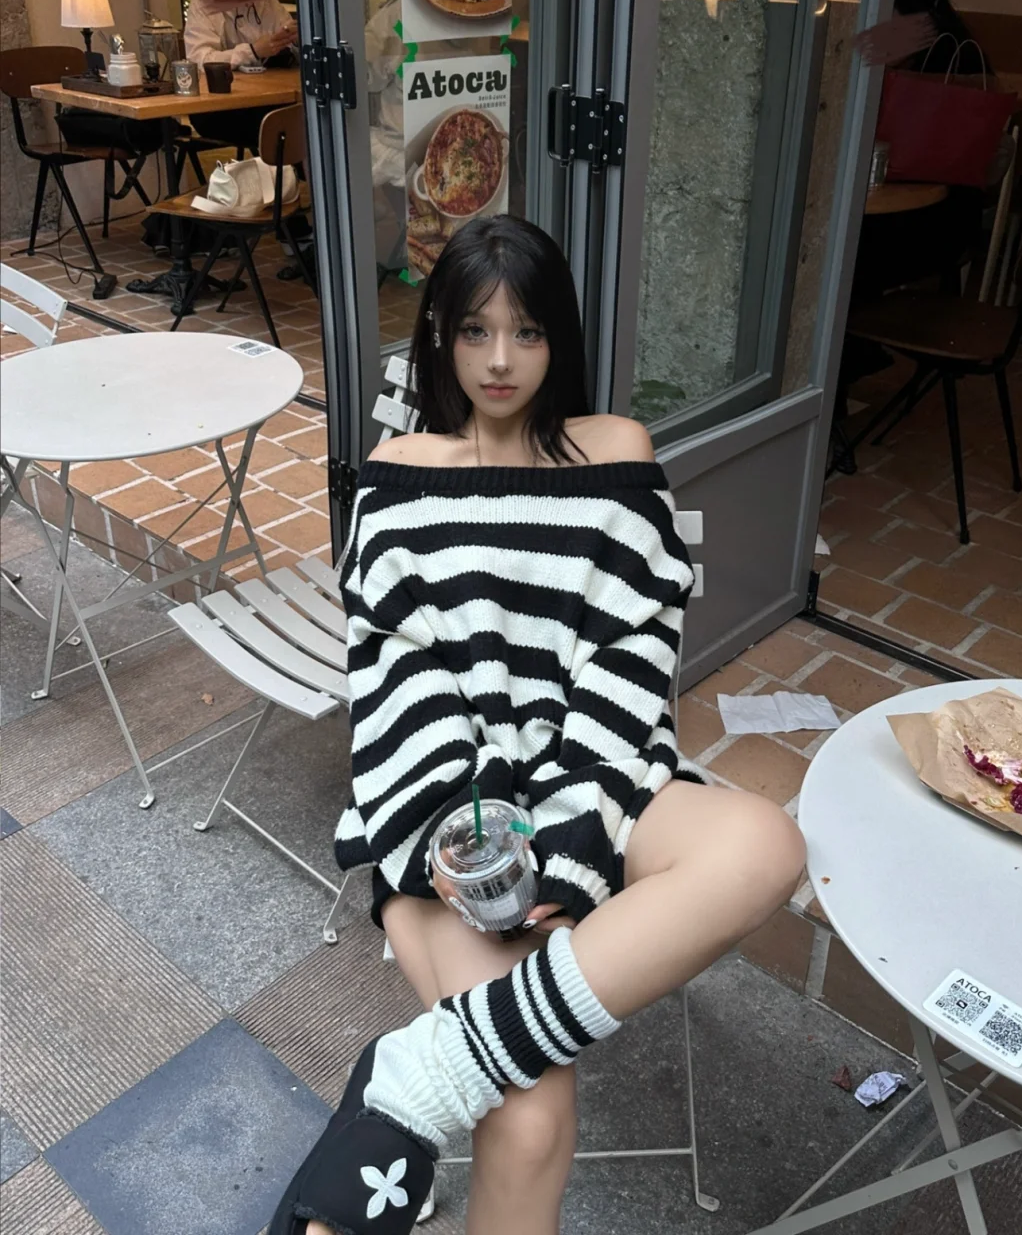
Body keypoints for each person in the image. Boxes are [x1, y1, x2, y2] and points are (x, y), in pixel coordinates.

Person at [270, 215, 805, 1235]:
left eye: (527, 331)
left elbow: (631, 660)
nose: (500, 361)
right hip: (442, 817)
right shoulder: (399, 469)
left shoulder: (617, 451)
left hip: (596, 781)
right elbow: (398, 680)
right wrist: (474, 840)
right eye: (475, 331)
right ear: (440, 336)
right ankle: (455, 1070)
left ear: (561, 337)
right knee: (530, 1118)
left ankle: (424, 1075)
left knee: (765, 843)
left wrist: (566, 854)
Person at [182, 0, 298, 154]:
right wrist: (252, 51)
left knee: (302, 116)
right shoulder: (204, 3)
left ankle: (292, 174)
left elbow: (282, 30)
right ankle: (282, 173)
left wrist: (294, 38)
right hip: (218, 108)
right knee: (283, 126)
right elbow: (199, 61)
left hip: (265, 96)